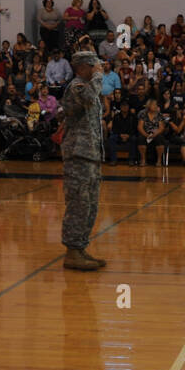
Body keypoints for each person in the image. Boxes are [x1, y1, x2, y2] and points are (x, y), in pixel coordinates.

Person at [60, 51, 107, 270]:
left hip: (90, 155)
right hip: (78, 154)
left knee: (89, 205)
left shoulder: (87, 87)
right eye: (95, 66)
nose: (99, 69)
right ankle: (72, 251)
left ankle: (80, 248)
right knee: (78, 203)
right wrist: (98, 77)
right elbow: (89, 98)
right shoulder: (77, 87)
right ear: (83, 67)